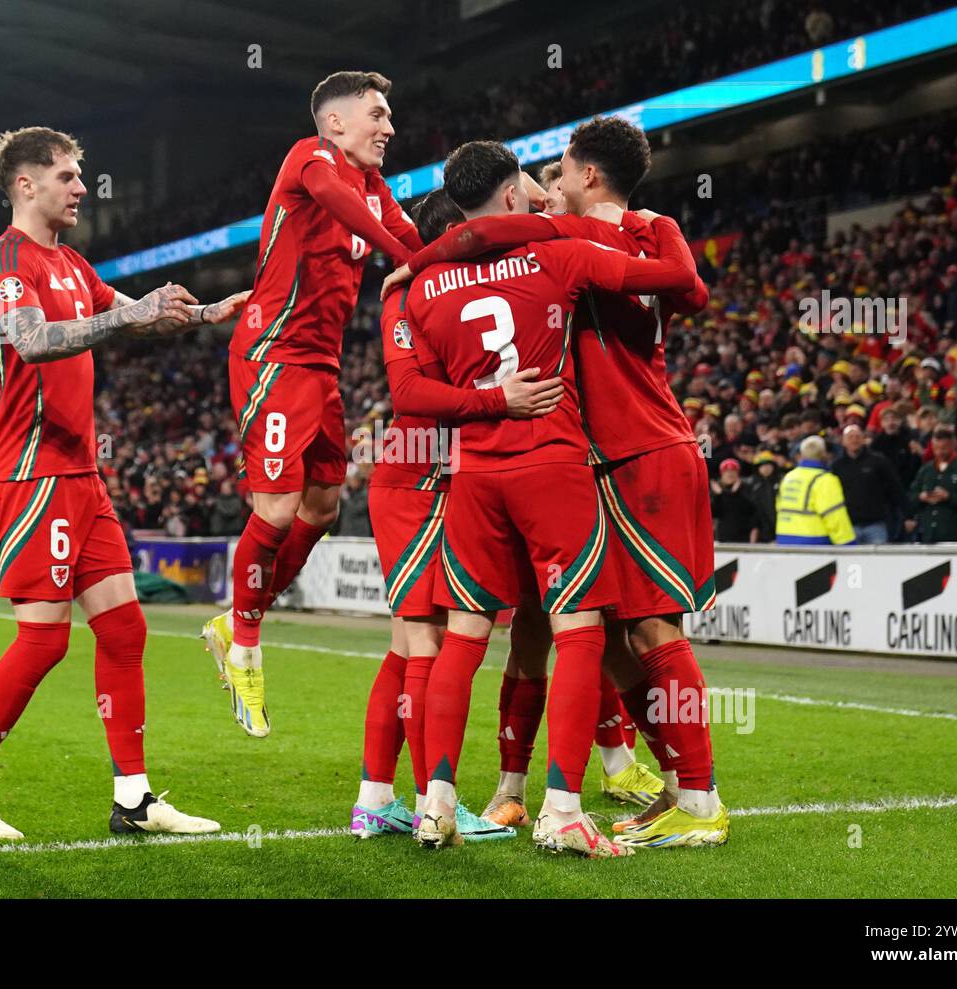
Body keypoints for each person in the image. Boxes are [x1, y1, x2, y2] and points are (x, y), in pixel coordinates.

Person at [390, 117, 726, 849]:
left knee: (640, 628)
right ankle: (575, 789)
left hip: (629, 450)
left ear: (588, 177)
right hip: (581, 460)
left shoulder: (575, 240)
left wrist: (419, 261)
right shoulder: (585, 240)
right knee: (594, 635)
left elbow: (687, 285)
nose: (549, 188)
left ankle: (691, 796)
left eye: (560, 172)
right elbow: (685, 287)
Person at [0, 126, 247, 841]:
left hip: (80, 471)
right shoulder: (5, 262)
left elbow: (133, 315)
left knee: (124, 626)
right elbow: (32, 339)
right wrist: (122, 313)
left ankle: (133, 798)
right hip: (30, 470)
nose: (82, 188)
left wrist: (202, 312)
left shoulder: (71, 261)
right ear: (26, 184)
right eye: (69, 176)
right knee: (44, 642)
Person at [206, 70, 425, 738]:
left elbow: (414, 240)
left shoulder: (377, 188)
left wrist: (455, 265)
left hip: (321, 367)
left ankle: (237, 615)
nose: (389, 128)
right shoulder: (311, 158)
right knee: (274, 506)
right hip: (272, 354)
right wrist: (400, 256)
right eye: (377, 115)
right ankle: (244, 645)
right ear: (335, 122)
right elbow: (347, 208)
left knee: (324, 506)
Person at [352, 188, 560, 842]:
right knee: (426, 643)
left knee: (407, 643)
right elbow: (412, 394)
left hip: (437, 473)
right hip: (416, 475)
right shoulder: (408, 290)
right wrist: (500, 398)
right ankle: (427, 802)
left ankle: (376, 798)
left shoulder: (435, 286)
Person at [906, 425, 957, 543]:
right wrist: (921, 497)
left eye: (944, 448)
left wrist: (949, 497)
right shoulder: (926, 469)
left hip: (956, 535)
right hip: (928, 536)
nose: (940, 452)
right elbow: (911, 496)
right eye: (936, 448)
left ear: (953, 445)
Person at [775, 435, 856, 546]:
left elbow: (779, 507)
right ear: (824, 454)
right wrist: (848, 544)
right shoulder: (825, 480)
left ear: (802, 455)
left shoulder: (789, 477)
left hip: (783, 539)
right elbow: (834, 516)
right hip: (814, 541)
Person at [830, 424, 902, 544]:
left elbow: (894, 488)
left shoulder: (878, 461)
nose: (854, 440)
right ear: (843, 442)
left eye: (858, 436)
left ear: (863, 439)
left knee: (877, 562)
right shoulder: (836, 466)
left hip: (876, 524)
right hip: (848, 525)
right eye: (850, 437)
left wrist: (906, 514)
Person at [710, 459, 757, 542]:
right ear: (722, 474)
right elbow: (715, 512)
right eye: (727, 472)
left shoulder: (746, 488)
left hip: (743, 536)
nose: (730, 474)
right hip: (721, 536)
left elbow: (749, 509)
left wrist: (732, 494)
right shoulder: (716, 490)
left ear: (738, 473)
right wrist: (720, 495)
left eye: (733, 471)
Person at [746, 451, 782, 542]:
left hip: (781, 528)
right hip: (763, 532)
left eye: (768, 465)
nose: (765, 468)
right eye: (762, 466)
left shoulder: (782, 482)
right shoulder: (753, 486)